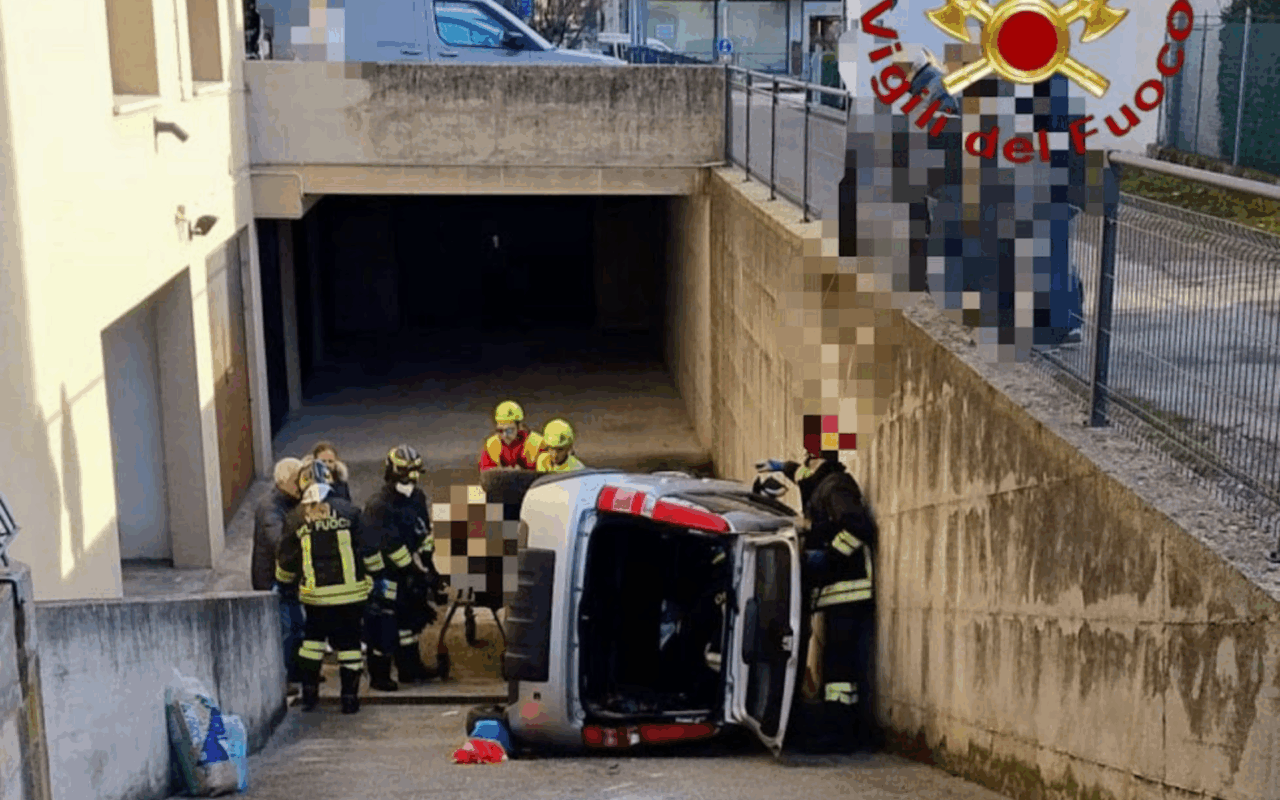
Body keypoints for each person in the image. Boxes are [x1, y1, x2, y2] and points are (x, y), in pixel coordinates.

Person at [778, 452, 880, 752]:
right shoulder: (826, 484)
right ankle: (839, 729)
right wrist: (786, 468)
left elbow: (858, 528)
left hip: (848, 589)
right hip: (839, 591)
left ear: (817, 459)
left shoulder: (834, 486)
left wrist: (830, 558)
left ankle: (843, 733)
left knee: (840, 670)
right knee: (836, 667)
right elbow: (808, 489)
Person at [275, 465, 387, 714]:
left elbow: (287, 560)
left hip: (316, 598)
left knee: (312, 644)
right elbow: (369, 549)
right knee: (350, 645)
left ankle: (310, 697)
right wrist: (378, 577)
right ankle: (349, 700)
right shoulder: (350, 511)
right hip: (351, 595)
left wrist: (283, 585)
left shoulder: (295, 517)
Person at [362, 444, 441, 690]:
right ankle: (380, 675)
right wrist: (417, 573)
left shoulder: (417, 498)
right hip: (383, 574)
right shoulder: (379, 505)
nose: (412, 479)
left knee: (410, 621)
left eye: (416, 472)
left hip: (407, 571)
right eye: (407, 473)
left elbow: (423, 534)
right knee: (383, 624)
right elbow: (390, 546)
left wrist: (432, 570)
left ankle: (410, 668)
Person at [252, 457, 305, 689]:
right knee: (284, 631)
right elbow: (278, 542)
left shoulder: (291, 504)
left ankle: (296, 673)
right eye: (297, 480)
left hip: (289, 580)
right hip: (273, 581)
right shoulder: (270, 507)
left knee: (296, 627)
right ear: (284, 481)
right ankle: (284, 679)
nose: (302, 485)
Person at [479, 400, 544, 472]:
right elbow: (486, 474)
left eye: (509, 431)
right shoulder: (491, 445)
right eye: (500, 431)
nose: (504, 435)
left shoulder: (537, 443)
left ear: (519, 427)